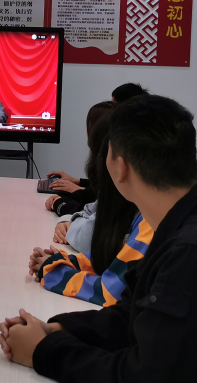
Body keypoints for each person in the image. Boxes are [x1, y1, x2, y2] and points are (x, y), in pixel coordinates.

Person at [0, 96, 197, 381]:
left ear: (121, 167)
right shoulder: (186, 221)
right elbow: (132, 314)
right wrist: (57, 330)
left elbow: (143, 375)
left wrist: (43, 351)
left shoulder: (196, 253)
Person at [29, 117, 151, 307]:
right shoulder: (145, 211)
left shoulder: (149, 222)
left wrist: (55, 272)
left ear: (120, 167)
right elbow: (116, 259)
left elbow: (111, 292)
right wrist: (67, 261)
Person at [44, 101, 115, 220]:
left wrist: (58, 203)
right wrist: (76, 184)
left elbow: (90, 213)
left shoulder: (111, 167)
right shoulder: (105, 163)